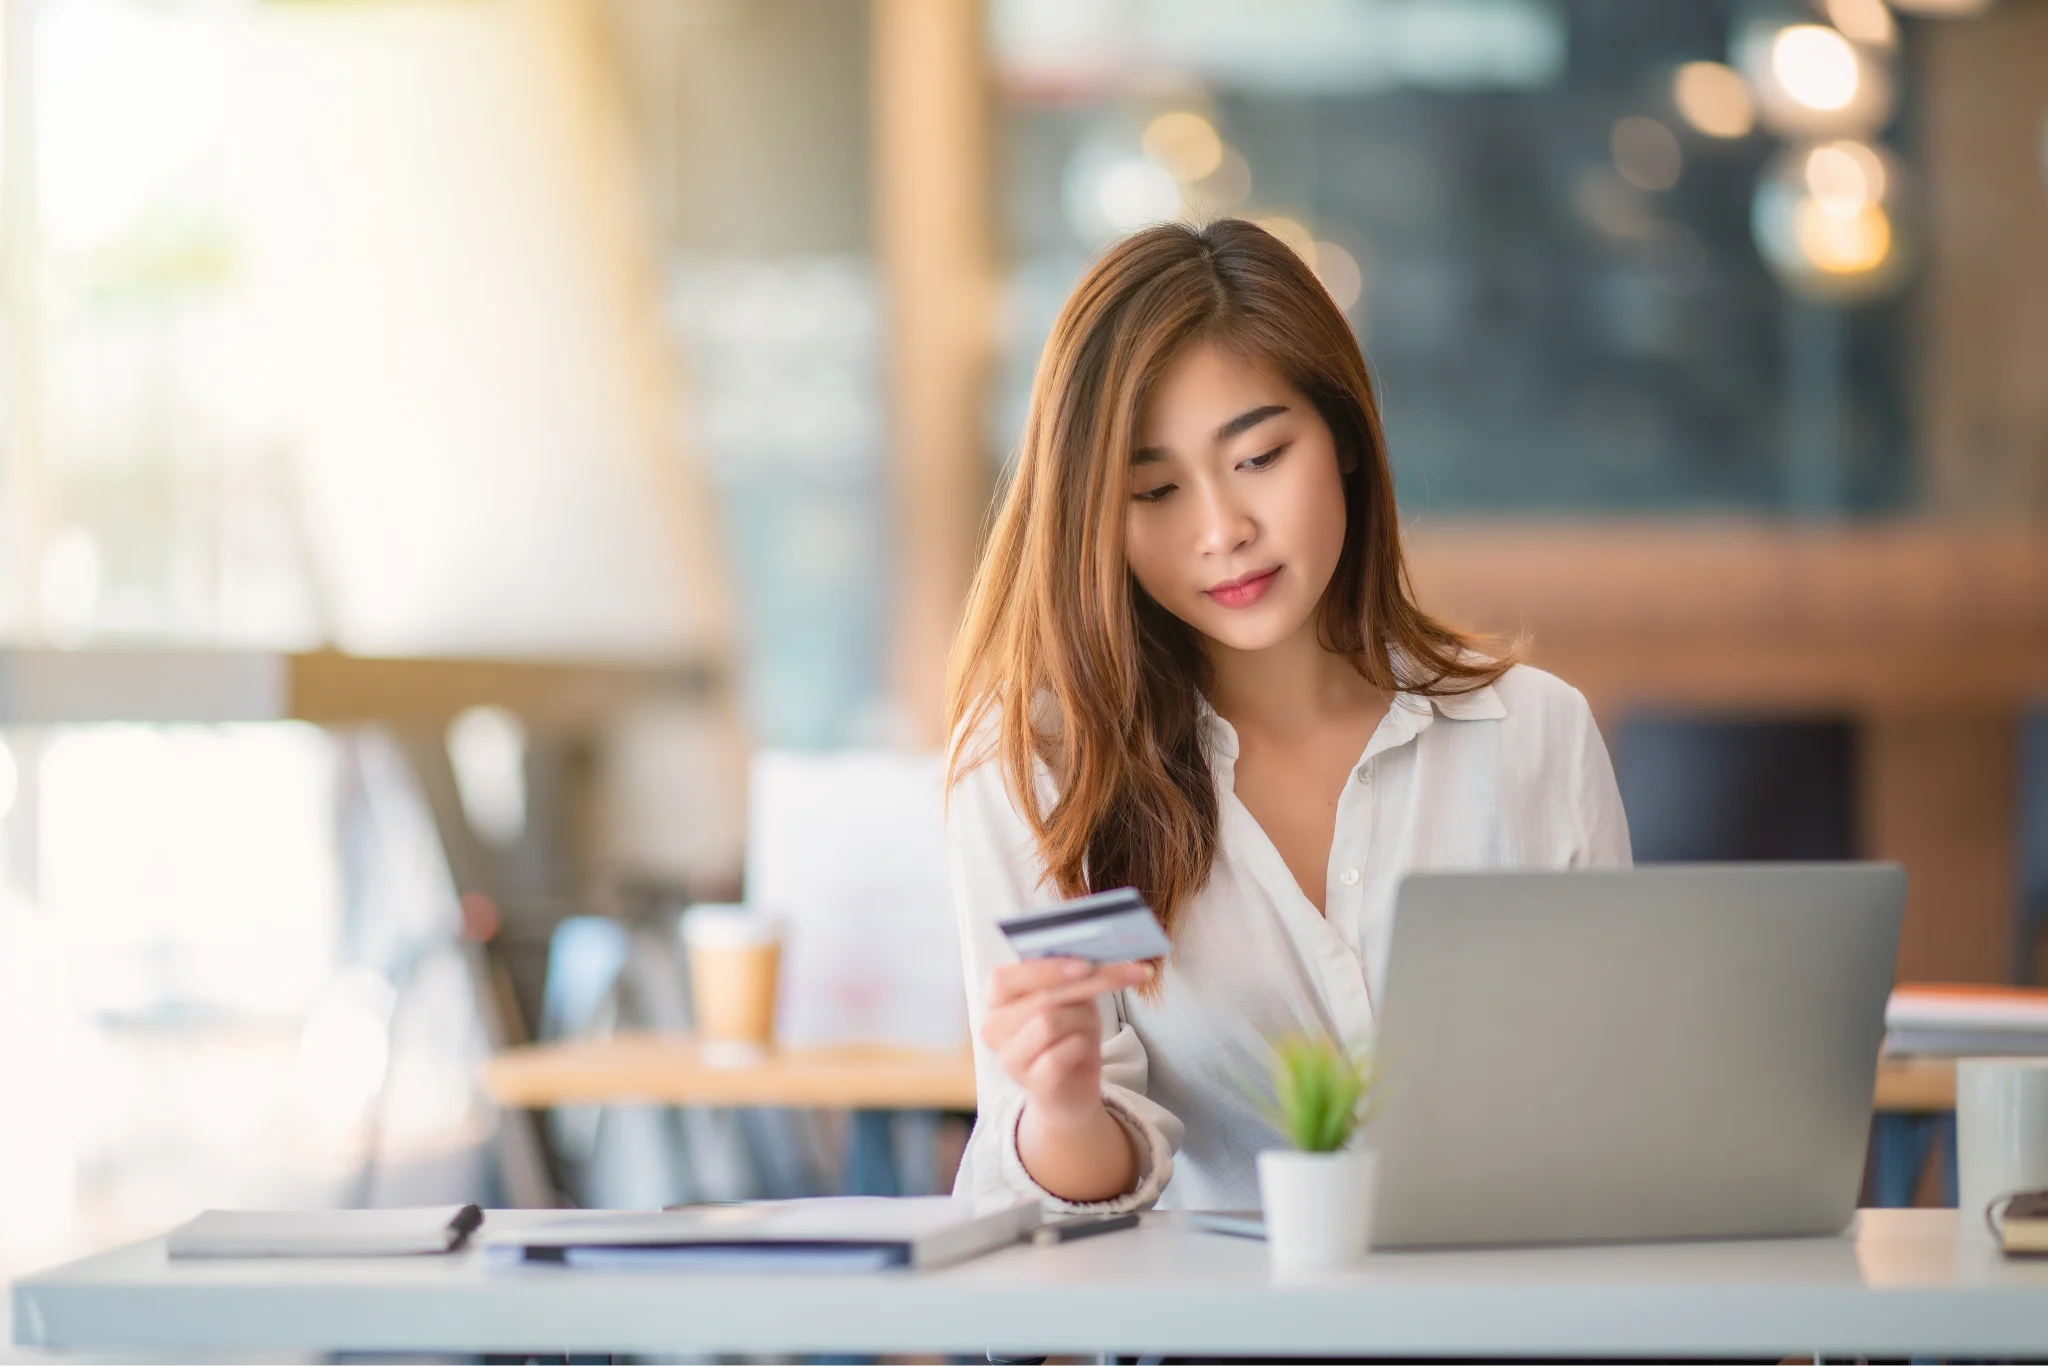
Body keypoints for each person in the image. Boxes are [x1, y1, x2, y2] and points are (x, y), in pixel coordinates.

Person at [944, 218, 1630, 1214]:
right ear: (1096, 512)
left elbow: (1615, 1106)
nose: (1221, 530)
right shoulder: (1038, 769)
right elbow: (1054, 1211)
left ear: (1345, 439)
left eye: (1259, 456)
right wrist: (1061, 1104)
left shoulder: (1530, 735)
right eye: (1154, 489)